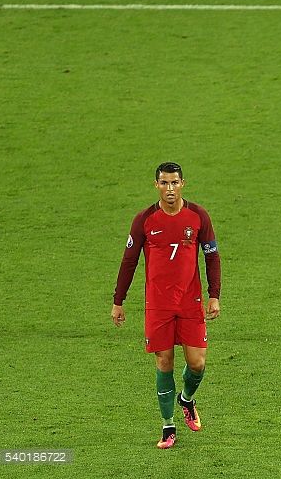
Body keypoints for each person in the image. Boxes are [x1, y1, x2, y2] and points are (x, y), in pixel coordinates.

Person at [111, 162, 222, 449]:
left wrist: (214, 294)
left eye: (174, 183)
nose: (169, 189)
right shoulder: (144, 220)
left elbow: (211, 256)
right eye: (164, 183)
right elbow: (129, 261)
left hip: (190, 301)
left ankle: (186, 398)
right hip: (158, 305)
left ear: (183, 183)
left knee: (197, 364)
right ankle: (168, 426)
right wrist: (118, 301)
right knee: (164, 362)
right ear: (156, 185)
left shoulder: (198, 216)